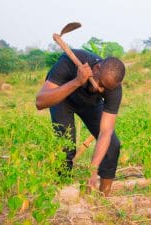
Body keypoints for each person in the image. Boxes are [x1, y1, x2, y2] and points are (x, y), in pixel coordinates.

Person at [36, 49, 125, 196]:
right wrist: (77, 81)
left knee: (112, 145)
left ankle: (103, 199)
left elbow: (106, 132)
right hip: (62, 98)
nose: (100, 89)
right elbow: (40, 102)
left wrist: (93, 168)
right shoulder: (69, 62)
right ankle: (62, 194)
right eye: (100, 84)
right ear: (96, 69)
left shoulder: (112, 87)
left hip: (89, 104)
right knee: (66, 147)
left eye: (105, 89)